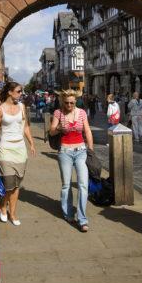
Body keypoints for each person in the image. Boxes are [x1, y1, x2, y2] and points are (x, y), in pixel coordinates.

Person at [0, 82, 36, 226]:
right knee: (9, 183)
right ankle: (4, 206)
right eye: (18, 91)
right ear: (10, 92)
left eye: (21, 91)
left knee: (16, 184)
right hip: (5, 149)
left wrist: (32, 143)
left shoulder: (22, 107)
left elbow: (26, 126)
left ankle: (13, 213)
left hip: (20, 148)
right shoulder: (0, 109)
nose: (21, 93)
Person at [49, 89, 94, 232]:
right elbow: (51, 131)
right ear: (63, 101)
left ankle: (82, 219)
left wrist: (90, 149)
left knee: (83, 185)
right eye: (67, 102)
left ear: (76, 102)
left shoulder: (81, 113)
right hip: (65, 152)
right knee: (66, 185)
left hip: (80, 151)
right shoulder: (58, 113)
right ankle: (68, 212)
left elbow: (87, 131)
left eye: (72, 103)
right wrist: (60, 128)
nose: (69, 105)